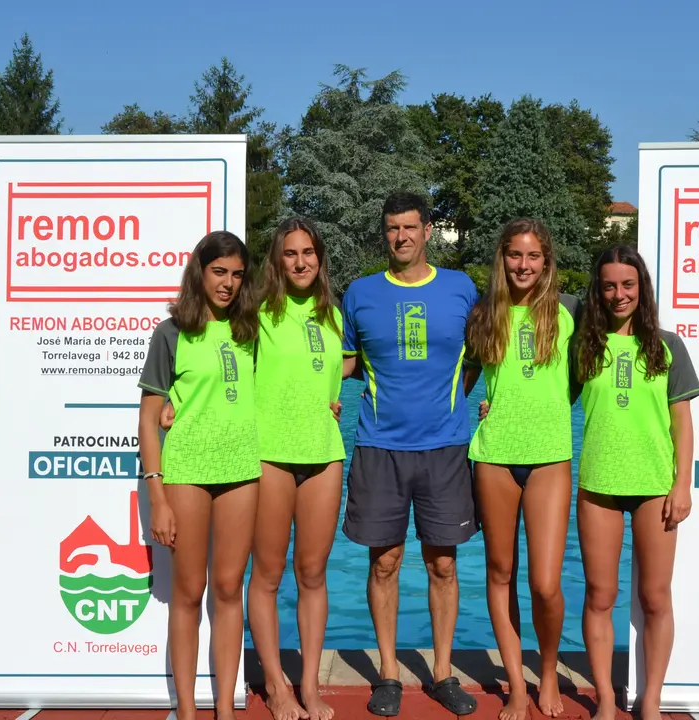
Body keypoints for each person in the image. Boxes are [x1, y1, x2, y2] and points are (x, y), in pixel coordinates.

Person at [339, 191, 480, 717]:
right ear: (386, 233)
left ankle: (443, 674)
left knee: (443, 563)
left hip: (445, 448)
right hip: (379, 447)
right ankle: (390, 674)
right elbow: (345, 365)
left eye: (410, 227)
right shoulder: (360, 293)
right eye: (392, 228)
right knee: (385, 563)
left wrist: (456, 407)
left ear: (427, 231)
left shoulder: (461, 288)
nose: (401, 237)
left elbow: (477, 361)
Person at [137, 230, 262, 720]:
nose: (228, 283)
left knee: (230, 591)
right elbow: (149, 419)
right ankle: (187, 710)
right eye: (219, 272)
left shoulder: (252, 331)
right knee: (188, 594)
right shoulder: (171, 333)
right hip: (186, 473)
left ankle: (225, 710)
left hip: (241, 474)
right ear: (199, 272)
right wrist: (158, 496)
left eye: (236, 274)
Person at [572, 245, 699, 720]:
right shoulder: (582, 344)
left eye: (628, 285)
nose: (618, 294)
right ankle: (606, 698)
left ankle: (651, 699)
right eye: (609, 285)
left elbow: (682, 423)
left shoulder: (668, 345)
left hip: (654, 487)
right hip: (599, 486)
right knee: (600, 596)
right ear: (598, 290)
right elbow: (545, 396)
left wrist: (681, 483)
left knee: (654, 597)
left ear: (641, 288)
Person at [465, 218, 577, 720]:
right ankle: (515, 685)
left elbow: (587, 381)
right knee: (500, 571)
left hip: (550, 458)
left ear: (547, 261)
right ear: (502, 258)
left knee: (545, 583)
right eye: (515, 255)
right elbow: (454, 384)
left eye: (534, 256)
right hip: (493, 457)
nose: (524, 265)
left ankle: (547, 672)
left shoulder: (569, 313)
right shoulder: (484, 315)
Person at [243, 216, 345, 720]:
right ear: (276, 260)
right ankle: (274, 686)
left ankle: (307, 686)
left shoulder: (332, 315)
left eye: (309, 253)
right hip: (270, 455)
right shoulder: (255, 313)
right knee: (267, 573)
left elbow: (340, 365)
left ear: (319, 259)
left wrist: (327, 400)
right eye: (291, 253)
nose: (301, 262)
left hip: (324, 453)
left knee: (312, 572)